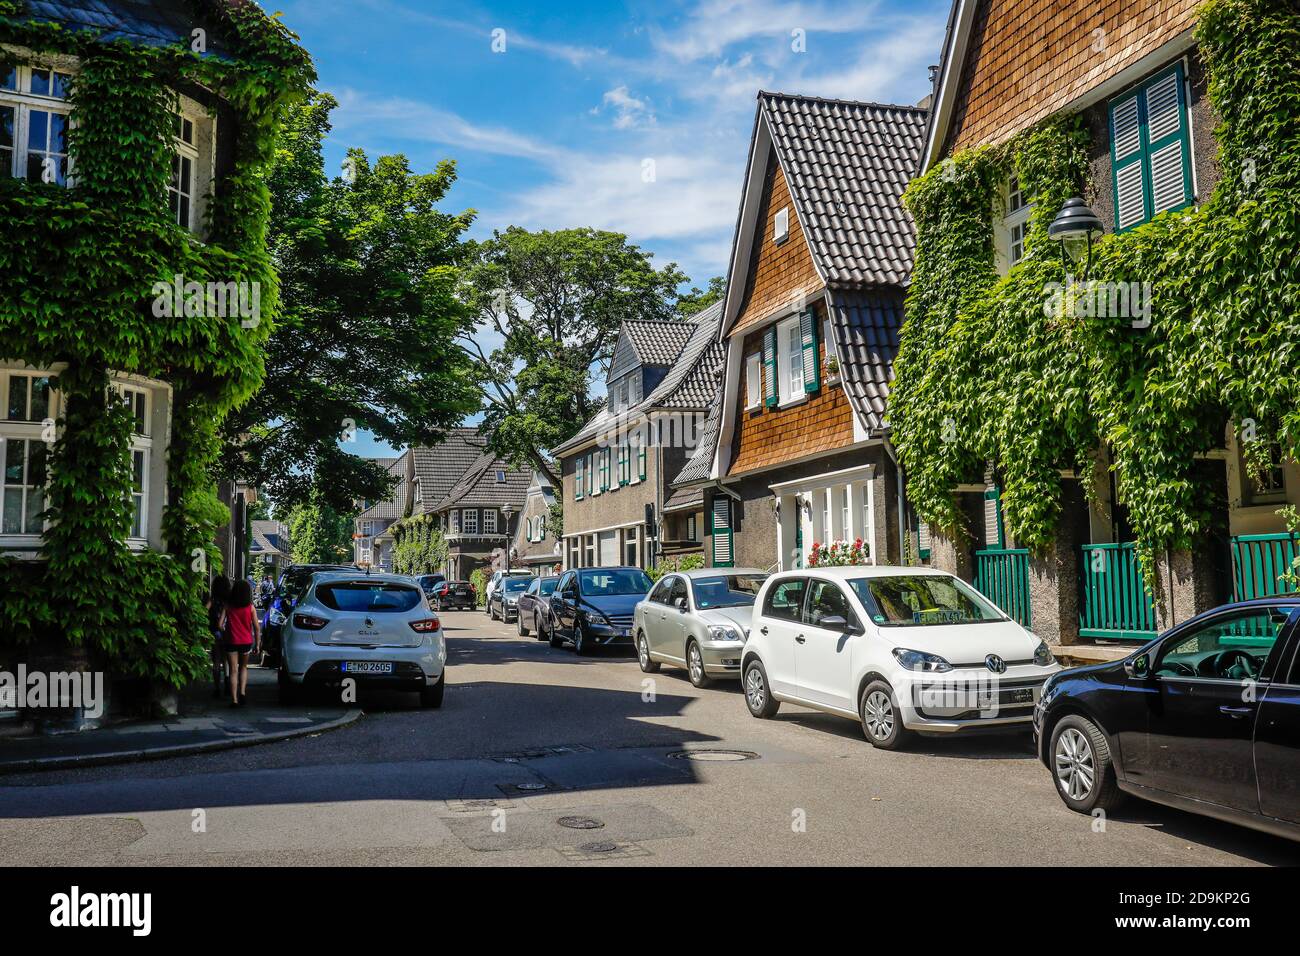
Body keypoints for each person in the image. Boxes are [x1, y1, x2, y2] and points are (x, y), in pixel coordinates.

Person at [222, 578, 261, 706]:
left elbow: (219, 624)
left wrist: (225, 631)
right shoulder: (250, 608)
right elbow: (256, 627)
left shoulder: (228, 606)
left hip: (231, 640)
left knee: (233, 669)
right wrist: (258, 643)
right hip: (246, 641)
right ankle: (242, 693)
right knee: (243, 667)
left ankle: (234, 699)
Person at [207, 576, 231, 699]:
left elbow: (204, 611)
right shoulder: (229, 601)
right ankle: (227, 681)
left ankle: (217, 688)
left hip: (214, 632)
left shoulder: (212, 599)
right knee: (226, 659)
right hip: (227, 633)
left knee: (216, 661)